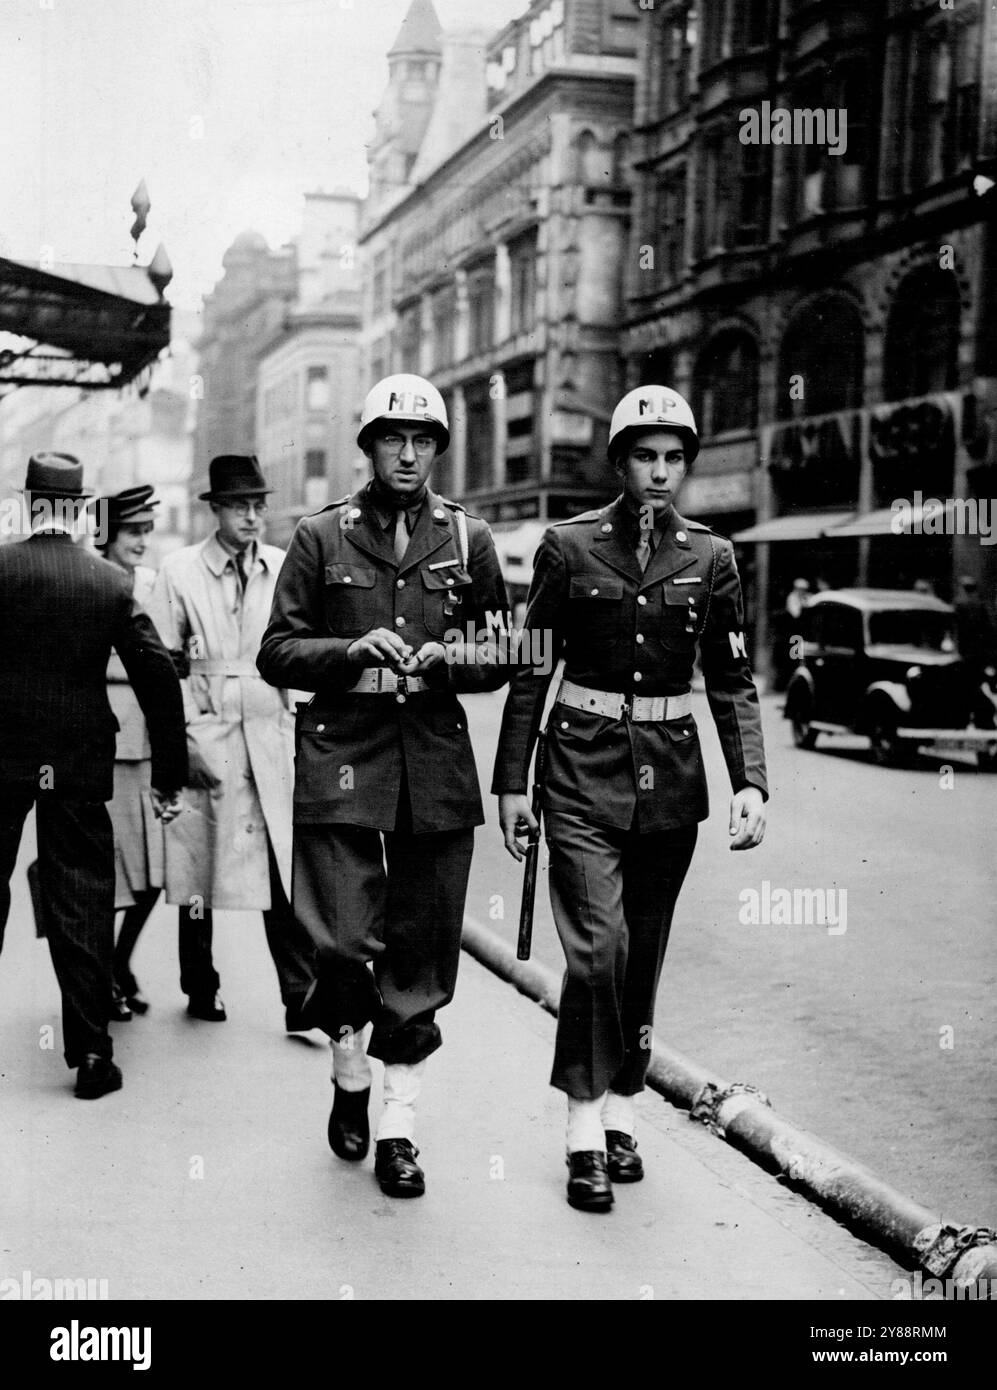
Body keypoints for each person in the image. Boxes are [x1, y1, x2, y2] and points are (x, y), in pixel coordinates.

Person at [493, 385, 768, 1212]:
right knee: (595, 952)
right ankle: (581, 1132)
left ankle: (621, 1111)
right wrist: (512, 782)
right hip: (577, 773)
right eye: (644, 456)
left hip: (669, 783)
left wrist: (750, 778)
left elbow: (730, 676)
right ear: (619, 462)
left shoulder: (711, 557)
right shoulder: (565, 549)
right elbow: (531, 669)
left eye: (673, 458)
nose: (659, 472)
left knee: (640, 957)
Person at [258, 373, 509, 1198]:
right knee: (335, 940)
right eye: (393, 440)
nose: (408, 454)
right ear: (367, 447)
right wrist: (346, 652)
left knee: (422, 954)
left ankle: (397, 1124)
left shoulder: (467, 540)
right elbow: (277, 651)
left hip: (432, 762)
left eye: (423, 440)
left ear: (438, 449)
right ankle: (346, 1057)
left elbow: (506, 651)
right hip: (340, 757)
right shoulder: (320, 537)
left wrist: (458, 658)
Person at [0, 454, 187, 1099]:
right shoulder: (108, 583)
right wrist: (170, 773)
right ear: (79, 511)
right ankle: (91, 1057)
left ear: (28, 505)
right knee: (79, 899)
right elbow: (158, 677)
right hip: (76, 760)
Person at [147, 455, 316, 1027]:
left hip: (269, 727)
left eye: (259, 505)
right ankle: (199, 984)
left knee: (283, 867)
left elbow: (301, 646)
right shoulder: (179, 570)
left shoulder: (283, 563)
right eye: (240, 506)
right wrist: (186, 732)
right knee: (198, 867)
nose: (253, 516)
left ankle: (300, 996)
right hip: (210, 728)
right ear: (215, 509)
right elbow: (163, 662)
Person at [95, 486, 168, 1019]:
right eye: (132, 532)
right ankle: (102, 980)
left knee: (152, 875)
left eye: (148, 531)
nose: (143, 541)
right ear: (106, 536)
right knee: (107, 875)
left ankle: (119, 964)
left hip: (149, 746)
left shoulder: (154, 586)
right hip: (106, 747)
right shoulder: (93, 581)